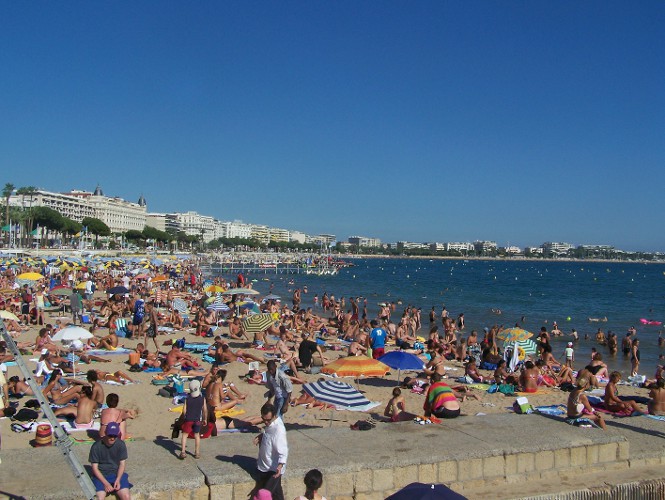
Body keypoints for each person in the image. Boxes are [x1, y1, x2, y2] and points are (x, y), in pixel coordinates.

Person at [88, 422, 132, 499]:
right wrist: (106, 483)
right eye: (110, 435)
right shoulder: (96, 446)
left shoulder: (120, 444)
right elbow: (95, 468)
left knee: (126, 496)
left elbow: (122, 464)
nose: (112, 438)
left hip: (115, 474)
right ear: (105, 433)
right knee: (100, 498)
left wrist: (118, 479)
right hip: (101, 476)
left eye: (115, 436)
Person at [254, 403, 288, 500]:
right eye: (263, 419)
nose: (266, 422)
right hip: (265, 466)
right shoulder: (270, 425)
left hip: (274, 469)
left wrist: (280, 465)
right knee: (277, 494)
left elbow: (283, 448)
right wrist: (262, 436)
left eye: (268, 420)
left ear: (274, 416)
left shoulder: (279, 429)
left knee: (264, 495)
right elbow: (270, 435)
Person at [179, 379, 207, 460]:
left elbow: (184, 411)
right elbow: (204, 410)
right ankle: (197, 452)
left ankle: (183, 451)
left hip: (188, 419)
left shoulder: (187, 399)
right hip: (197, 420)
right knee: (196, 435)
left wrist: (183, 418)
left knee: (185, 434)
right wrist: (205, 419)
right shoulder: (202, 399)